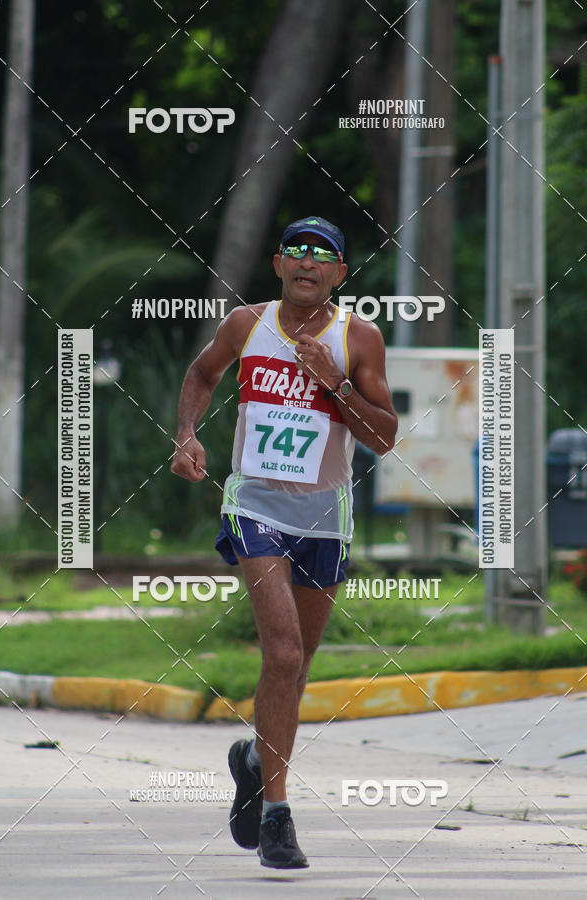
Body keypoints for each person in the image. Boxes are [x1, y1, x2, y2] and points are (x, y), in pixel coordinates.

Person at [171, 215, 398, 869]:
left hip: (324, 517)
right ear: (277, 264)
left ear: (339, 273)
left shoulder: (359, 338)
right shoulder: (247, 324)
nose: (307, 261)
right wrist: (186, 435)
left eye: (322, 254)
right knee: (284, 652)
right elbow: (202, 374)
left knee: (297, 667)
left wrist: (335, 381)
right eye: (296, 250)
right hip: (256, 507)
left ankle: (253, 757)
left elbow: (383, 436)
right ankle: (277, 815)